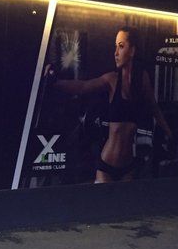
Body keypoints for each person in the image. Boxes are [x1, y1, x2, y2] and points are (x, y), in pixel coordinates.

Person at [46, 27, 171, 183]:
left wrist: (169, 134)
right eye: (115, 47)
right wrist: (55, 82)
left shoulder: (142, 79)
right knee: (101, 199)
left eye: (121, 46)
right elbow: (83, 87)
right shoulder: (112, 79)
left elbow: (154, 108)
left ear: (132, 51)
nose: (115, 53)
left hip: (128, 166)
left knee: (125, 199)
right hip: (106, 165)